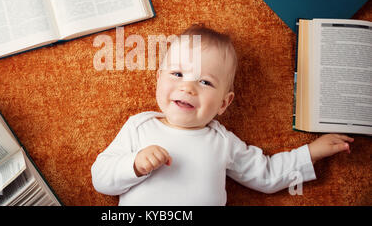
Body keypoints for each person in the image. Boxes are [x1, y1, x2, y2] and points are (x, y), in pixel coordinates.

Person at [91, 25, 354, 205]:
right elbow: (101, 177)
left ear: (223, 104)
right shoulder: (140, 126)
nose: (188, 87)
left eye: (205, 82)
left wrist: (312, 152)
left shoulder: (222, 141)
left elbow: (267, 174)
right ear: (158, 80)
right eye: (177, 74)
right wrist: (134, 165)